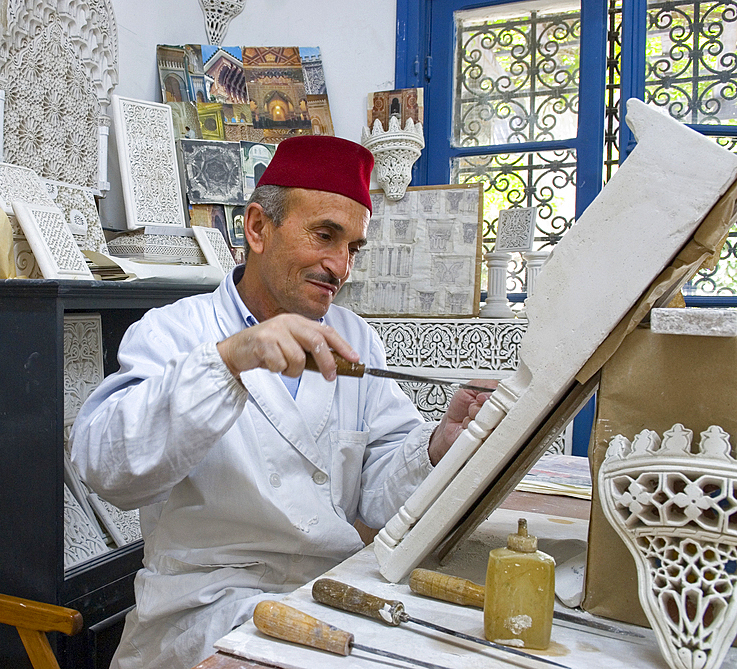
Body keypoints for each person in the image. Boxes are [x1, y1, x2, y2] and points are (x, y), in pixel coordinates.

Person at [71, 135, 492, 669]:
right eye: (325, 235)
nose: (340, 266)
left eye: (353, 248)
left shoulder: (354, 339)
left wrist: (436, 447)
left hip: (332, 597)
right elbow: (108, 470)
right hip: (206, 616)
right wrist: (229, 361)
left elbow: (379, 499)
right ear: (257, 228)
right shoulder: (175, 332)